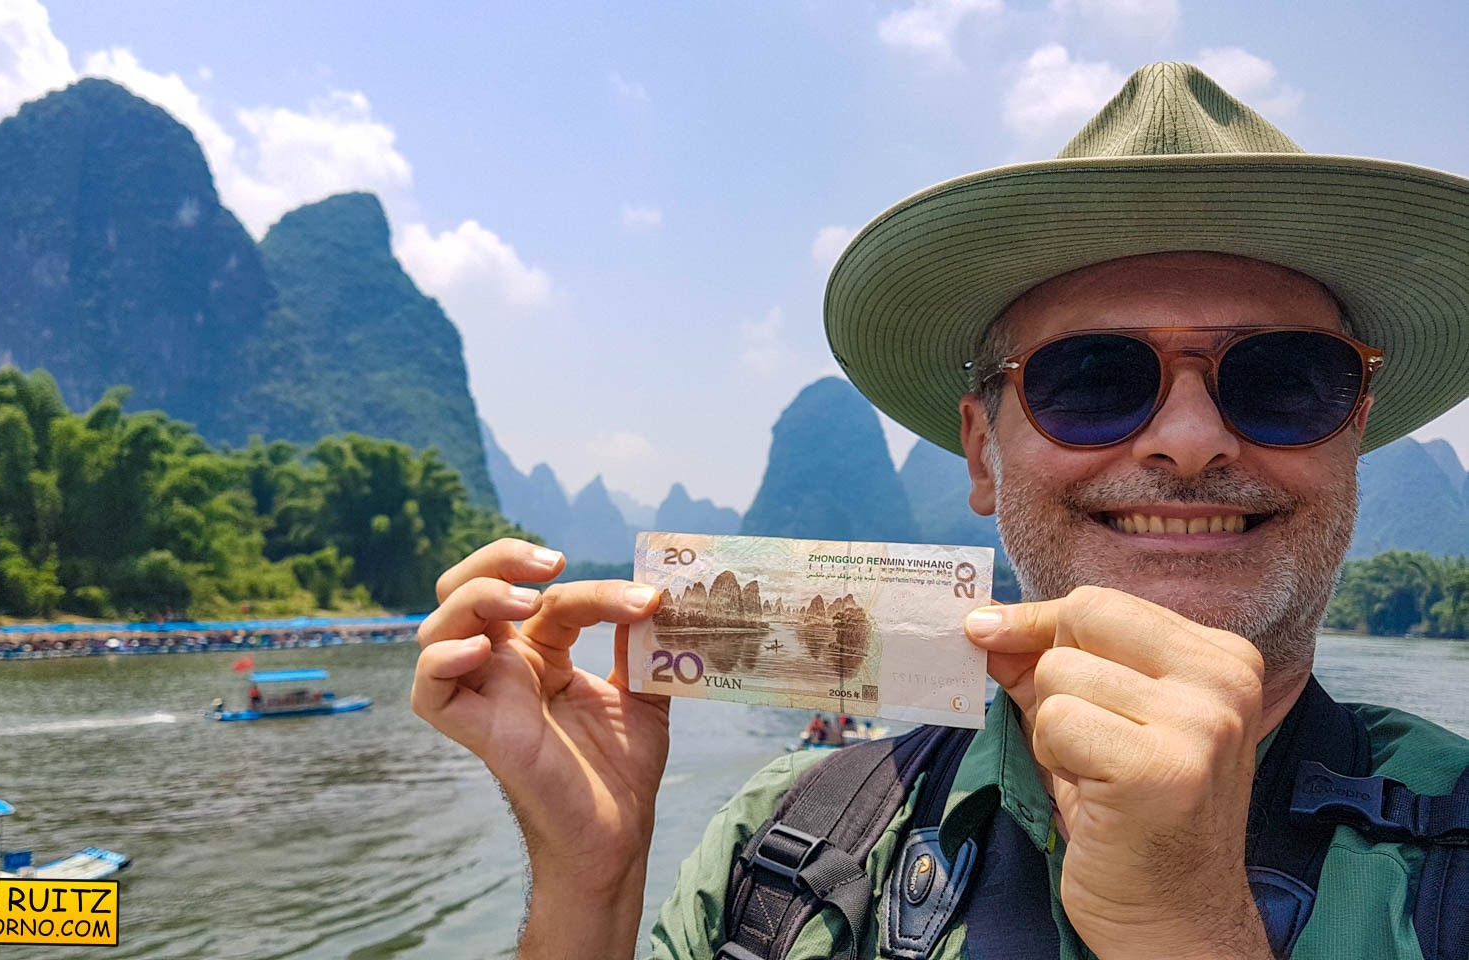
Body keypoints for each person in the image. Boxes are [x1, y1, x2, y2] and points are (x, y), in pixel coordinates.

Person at [411, 62, 1469, 959]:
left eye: (1288, 379)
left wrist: (1191, 929)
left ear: (1353, 435)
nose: (1189, 438)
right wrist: (586, 885)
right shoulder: (779, 850)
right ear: (980, 449)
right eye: (1092, 376)